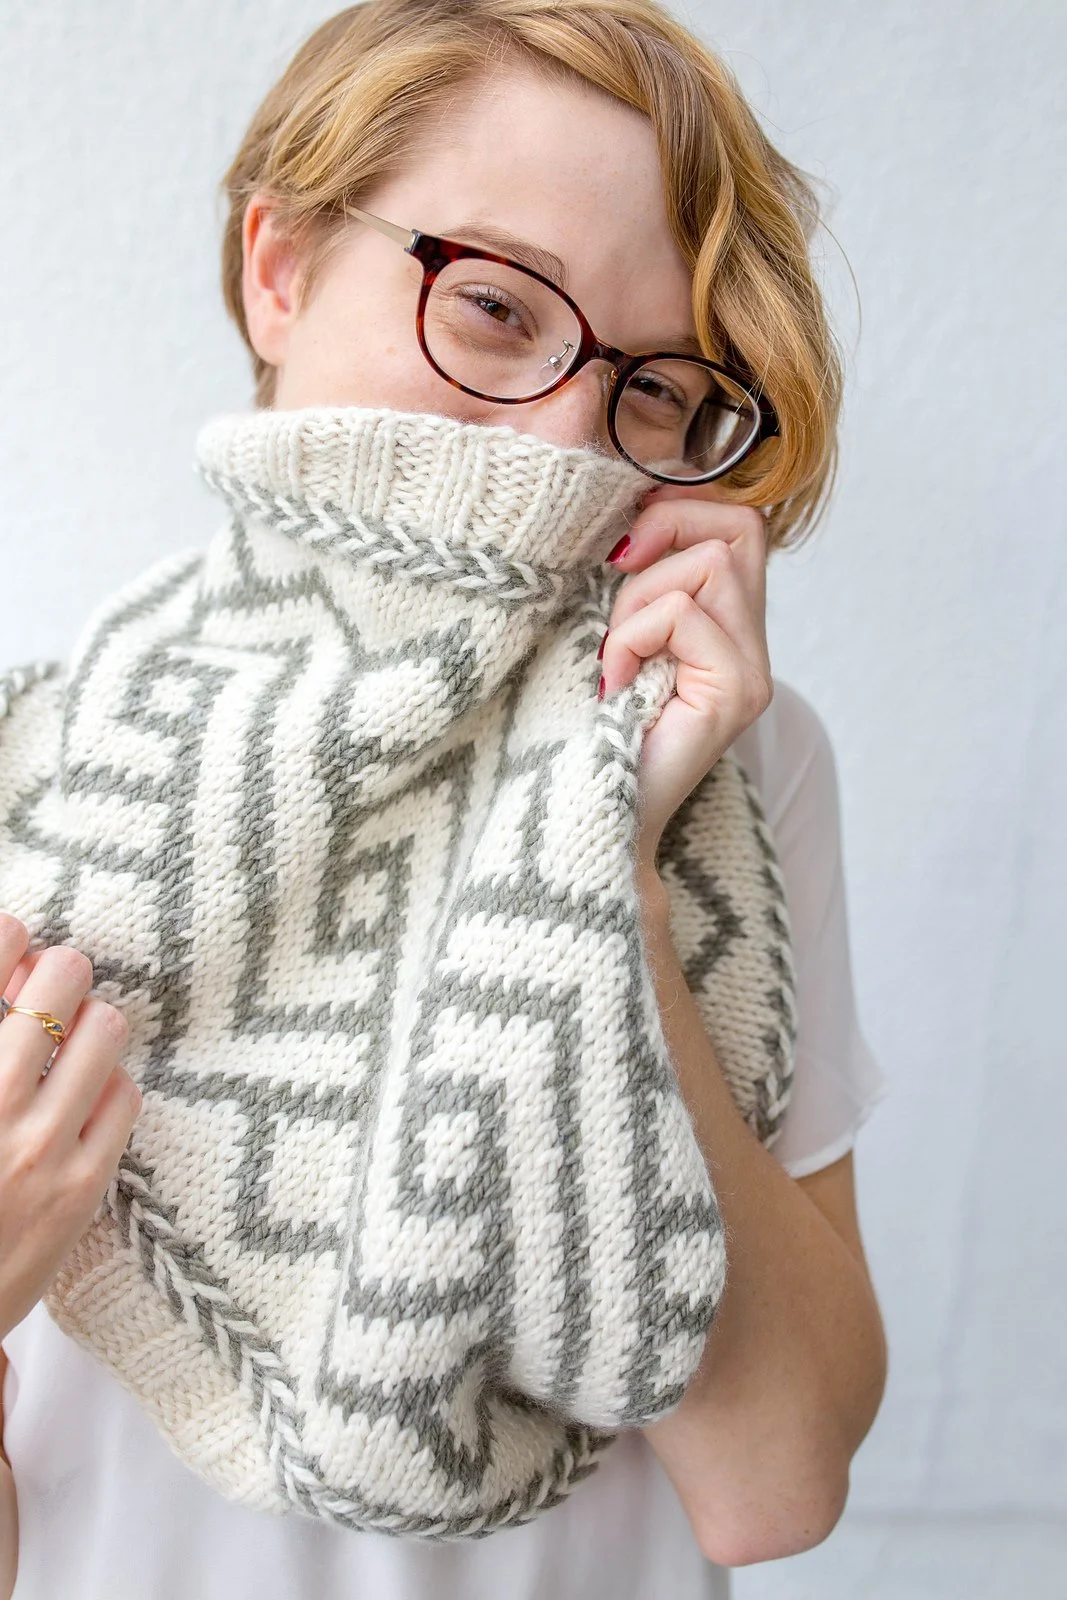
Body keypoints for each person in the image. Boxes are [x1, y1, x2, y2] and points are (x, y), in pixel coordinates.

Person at [0, 2, 890, 1596]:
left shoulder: (744, 771)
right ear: (279, 266)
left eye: (650, 390)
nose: (557, 436)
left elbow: (777, 1482)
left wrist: (598, 863)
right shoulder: (33, 778)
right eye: (490, 307)